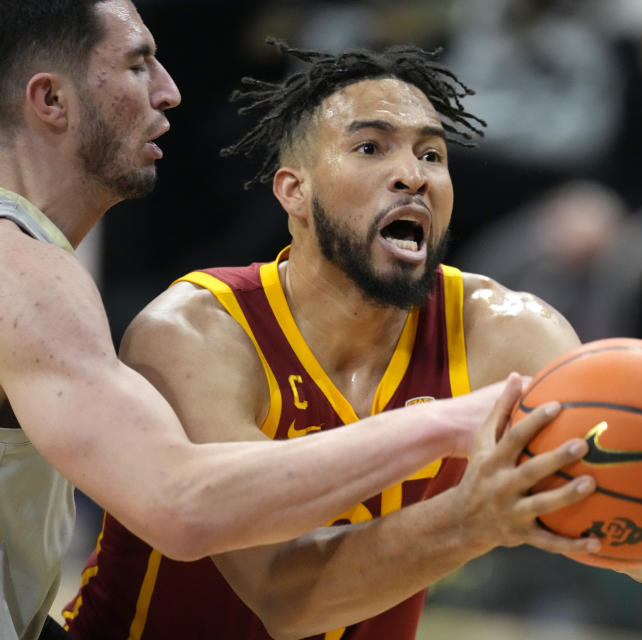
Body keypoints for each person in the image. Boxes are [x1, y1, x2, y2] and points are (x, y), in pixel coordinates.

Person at [63, 43, 642, 640]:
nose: (414, 174)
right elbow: (281, 594)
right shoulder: (197, 332)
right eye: (370, 147)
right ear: (293, 192)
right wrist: (471, 519)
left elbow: (628, 540)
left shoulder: (510, 334)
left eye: (433, 154)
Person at [0, 3, 521, 639]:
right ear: (51, 99)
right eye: (138, 66)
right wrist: (447, 423)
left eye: (432, 154)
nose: (170, 89)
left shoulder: (499, 320)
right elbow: (180, 505)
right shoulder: (29, 276)